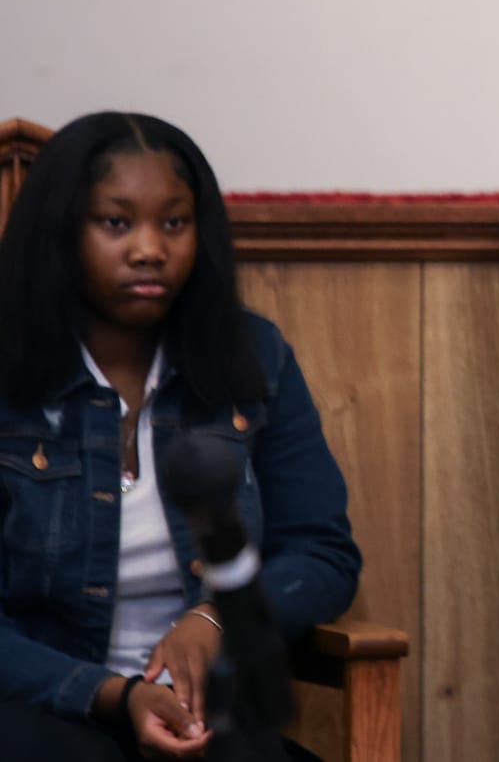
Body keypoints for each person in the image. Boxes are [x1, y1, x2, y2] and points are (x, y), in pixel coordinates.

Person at [0, 113, 361, 761]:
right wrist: (114, 691)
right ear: (61, 231)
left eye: (174, 222)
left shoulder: (254, 356)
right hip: (39, 705)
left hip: (205, 712)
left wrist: (219, 617)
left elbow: (322, 551)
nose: (150, 248)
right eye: (116, 222)